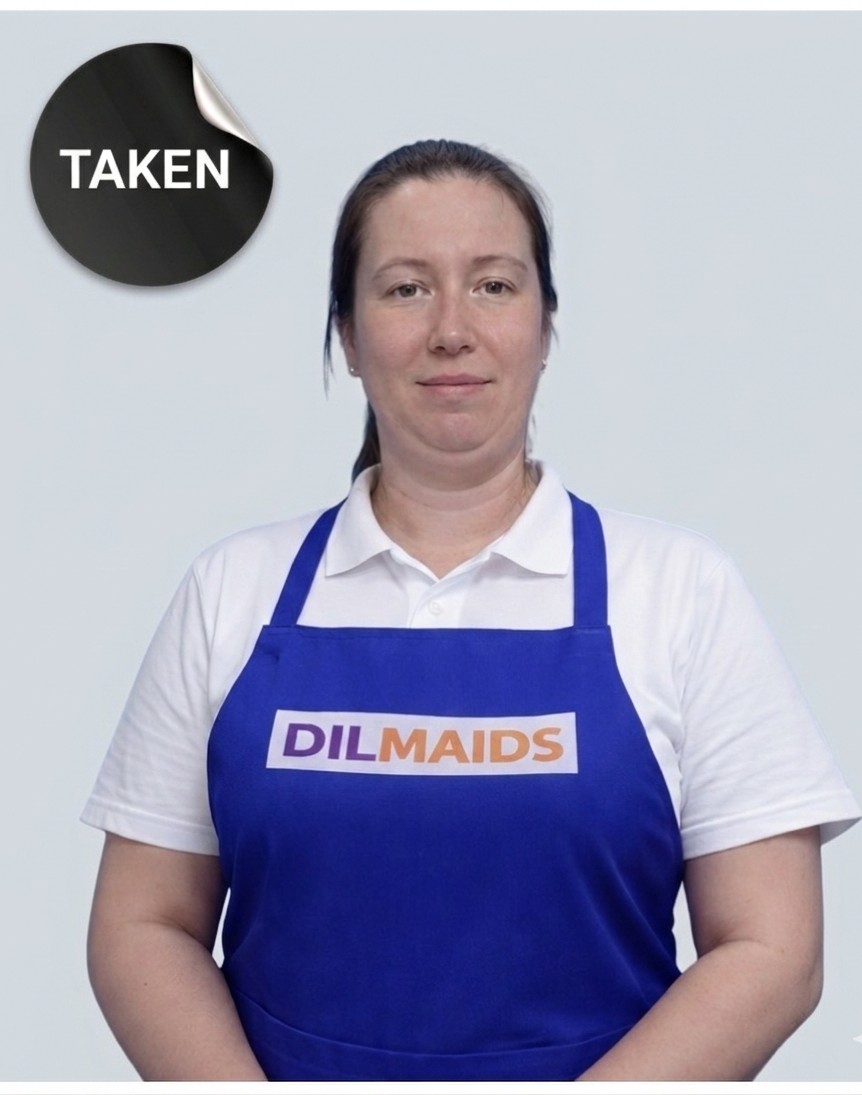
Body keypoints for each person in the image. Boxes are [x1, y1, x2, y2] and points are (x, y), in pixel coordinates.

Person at [83, 139, 860, 1081]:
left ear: (545, 324)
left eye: (494, 285)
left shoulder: (682, 592)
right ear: (347, 335)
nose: (452, 329)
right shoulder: (230, 592)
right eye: (406, 288)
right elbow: (142, 924)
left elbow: (775, 950)